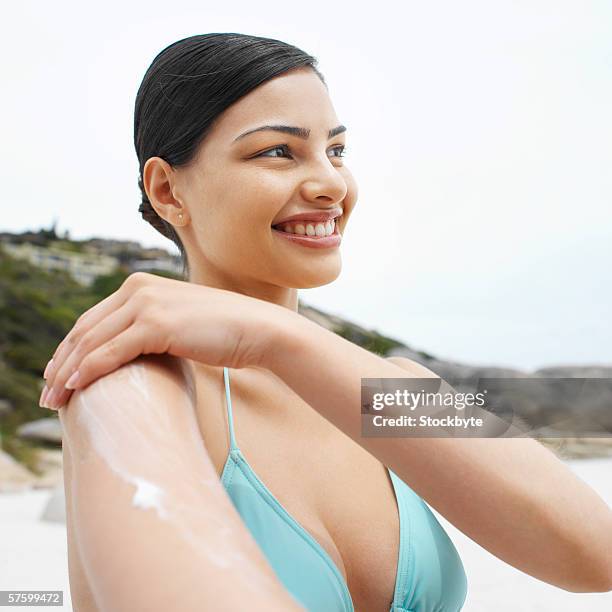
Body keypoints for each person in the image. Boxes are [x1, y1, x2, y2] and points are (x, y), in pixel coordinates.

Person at [41, 33, 612, 612]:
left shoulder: (377, 383)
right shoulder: (134, 384)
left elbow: (593, 554)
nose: (331, 185)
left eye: (335, 151)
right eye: (277, 152)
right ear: (167, 190)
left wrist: (280, 338)